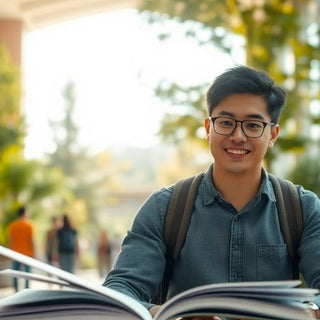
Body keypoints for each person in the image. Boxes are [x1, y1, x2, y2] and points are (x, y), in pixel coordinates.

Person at [103, 65, 320, 319]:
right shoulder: (165, 209)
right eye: (226, 122)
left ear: (272, 134)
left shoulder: (302, 209)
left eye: (253, 125)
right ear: (208, 128)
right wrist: (163, 313)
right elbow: (120, 290)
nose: (238, 136)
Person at [8, 206, 35, 292]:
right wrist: (34, 253)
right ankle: (26, 290)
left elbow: (10, 241)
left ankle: (16, 290)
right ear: (25, 213)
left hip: (16, 253)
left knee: (15, 273)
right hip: (27, 253)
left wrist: (10, 252)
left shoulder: (12, 226)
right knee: (27, 274)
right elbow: (32, 240)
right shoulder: (29, 225)